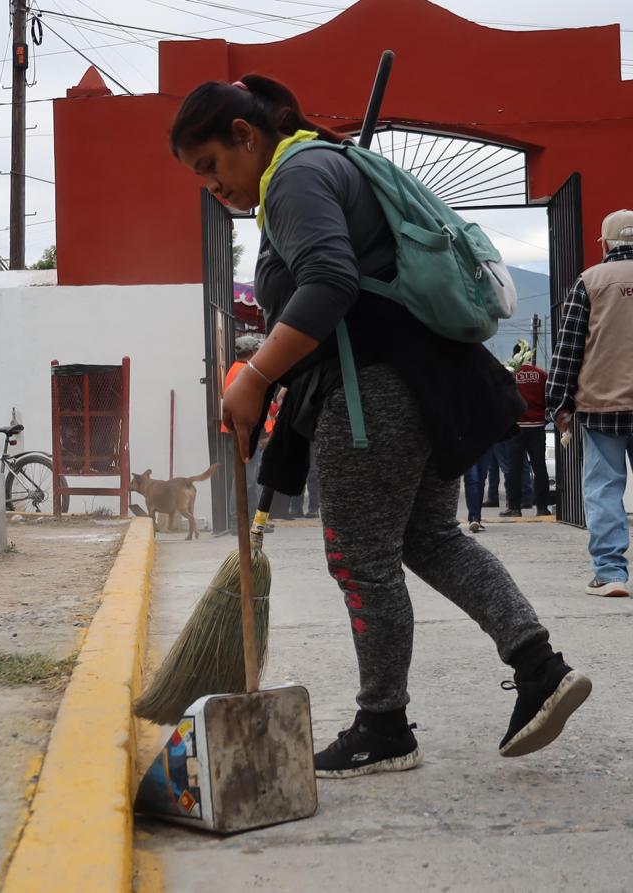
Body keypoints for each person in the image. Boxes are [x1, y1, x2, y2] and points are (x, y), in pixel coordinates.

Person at [170, 74, 591, 777]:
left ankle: (383, 724)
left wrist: (255, 374)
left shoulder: (293, 177)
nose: (214, 188)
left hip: (372, 395)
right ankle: (540, 667)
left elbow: (329, 282)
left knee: (360, 558)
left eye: (212, 166)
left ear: (245, 135)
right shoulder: (324, 164)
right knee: (429, 538)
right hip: (421, 382)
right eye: (200, 179)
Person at [547, 209, 633, 597]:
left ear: (606, 243)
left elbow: (568, 350)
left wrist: (559, 402)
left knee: (604, 490)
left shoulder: (590, 281)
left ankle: (610, 573)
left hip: (601, 406)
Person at [221, 334, 269, 533]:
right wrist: (263, 433)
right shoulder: (246, 372)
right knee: (247, 479)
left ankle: (248, 520)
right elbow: (254, 405)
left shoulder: (235, 370)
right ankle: (241, 520)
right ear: (251, 352)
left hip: (239, 430)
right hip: (245, 432)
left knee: (245, 477)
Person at [502, 342, 552, 518]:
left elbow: (505, 399)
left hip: (516, 427)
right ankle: (542, 507)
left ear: (514, 355)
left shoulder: (510, 374)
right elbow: (549, 397)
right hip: (537, 427)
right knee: (539, 468)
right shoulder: (541, 375)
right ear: (530, 356)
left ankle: (514, 507)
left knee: (514, 469)